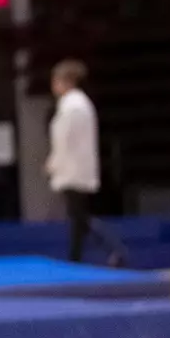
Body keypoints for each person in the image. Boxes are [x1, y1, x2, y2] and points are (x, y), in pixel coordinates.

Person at [45, 59, 127, 265]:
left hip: (73, 168)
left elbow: (65, 139)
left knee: (79, 217)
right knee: (78, 217)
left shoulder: (73, 106)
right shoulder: (76, 104)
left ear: (66, 81)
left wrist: (54, 163)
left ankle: (112, 250)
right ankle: (81, 257)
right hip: (75, 166)